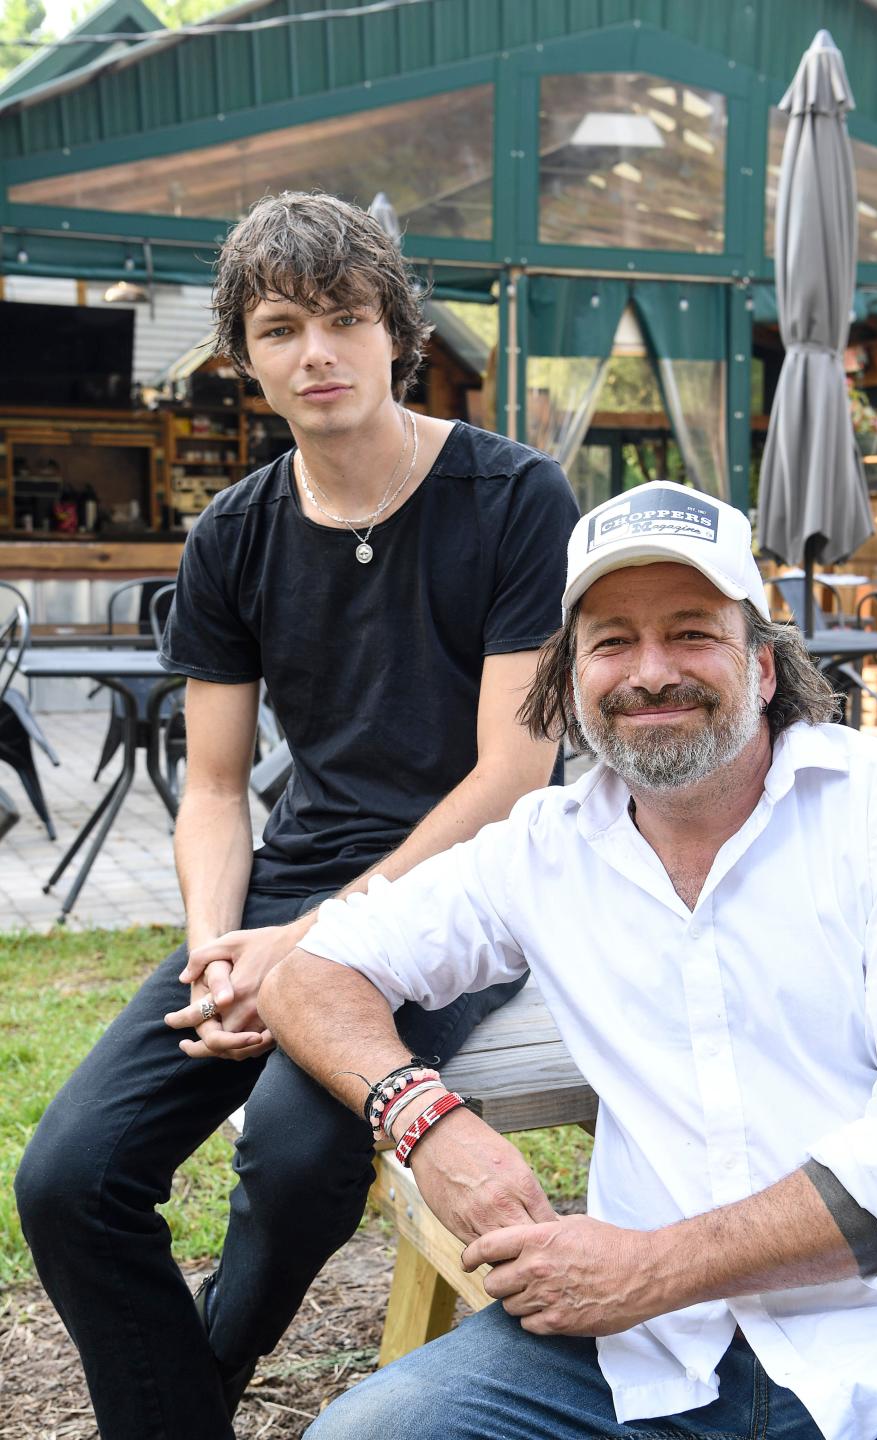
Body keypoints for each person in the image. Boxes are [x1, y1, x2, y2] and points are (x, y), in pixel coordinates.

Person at [15, 191, 579, 1440]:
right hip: (288, 894)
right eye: (280, 328)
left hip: (471, 885)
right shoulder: (232, 532)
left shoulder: (515, 497)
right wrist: (224, 948)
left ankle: (193, 1381)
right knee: (67, 1179)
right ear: (245, 359)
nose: (315, 352)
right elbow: (214, 787)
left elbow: (509, 778)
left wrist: (308, 950)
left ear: (397, 334)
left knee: (297, 1148)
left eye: (343, 319)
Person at [256, 480, 877, 1440]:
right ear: (570, 678)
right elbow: (313, 971)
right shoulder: (543, 847)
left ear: (762, 665)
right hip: (646, 1353)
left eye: (692, 632)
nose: (650, 670)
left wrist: (649, 1268)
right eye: (612, 641)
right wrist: (430, 1125)